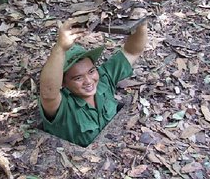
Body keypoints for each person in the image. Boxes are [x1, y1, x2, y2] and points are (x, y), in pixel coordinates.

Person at [39, 18, 148, 147]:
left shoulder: (104, 79)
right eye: (78, 78)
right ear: (63, 83)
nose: (89, 81)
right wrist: (60, 48)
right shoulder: (63, 107)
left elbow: (132, 51)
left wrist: (141, 22)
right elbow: (48, 93)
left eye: (91, 71)